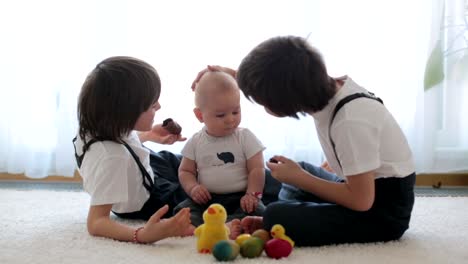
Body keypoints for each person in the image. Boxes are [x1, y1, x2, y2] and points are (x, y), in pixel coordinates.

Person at [193, 35, 416, 247]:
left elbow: (361, 201)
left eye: (264, 102)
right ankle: (296, 211)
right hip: (362, 186)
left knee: (276, 213)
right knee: (295, 173)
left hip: (382, 213)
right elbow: (280, 73)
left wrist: (301, 179)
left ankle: (282, 218)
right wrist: (229, 74)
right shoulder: (324, 87)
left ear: (284, 100)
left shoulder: (350, 121)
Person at [73, 56, 194, 244]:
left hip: (146, 167)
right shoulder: (112, 158)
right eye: (152, 105)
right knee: (200, 196)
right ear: (126, 112)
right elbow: (96, 222)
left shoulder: (98, 126)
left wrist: (150, 136)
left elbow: (124, 143)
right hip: (149, 197)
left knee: (186, 162)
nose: (159, 106)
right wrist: (142, 234)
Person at [174, 71, 266, 239]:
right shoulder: (196, 141)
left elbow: (257, 169)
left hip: (241, 197)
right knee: (182, 211)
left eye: (236, 112)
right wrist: (193, 188)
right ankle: (216, 226)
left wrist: (252, 194)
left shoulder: (245, 137)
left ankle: (221, 227)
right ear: (200, 115)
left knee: (258, 211)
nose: (230, 120)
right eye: (221, 115)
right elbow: (185, 171)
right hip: (207, 200)